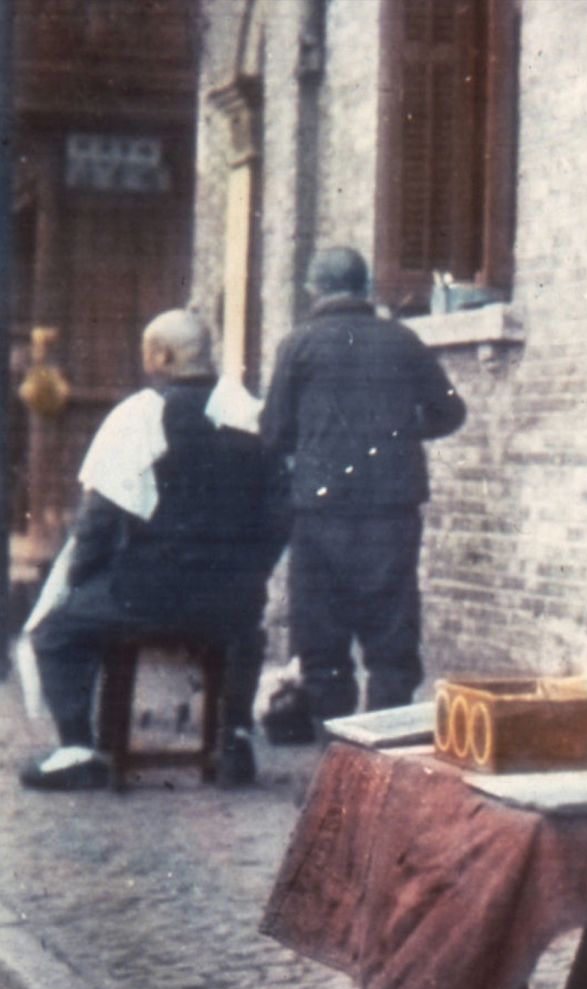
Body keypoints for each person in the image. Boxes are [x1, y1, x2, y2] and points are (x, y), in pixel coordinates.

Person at [21, 310, 288, 791]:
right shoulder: (254, 415)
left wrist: (79, 584)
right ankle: (235, 740)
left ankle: (77, 749)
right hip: (233, 599)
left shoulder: (138, 417)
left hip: (148, 596)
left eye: (149, 351)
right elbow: (280, 517)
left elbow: (97, 525)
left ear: (162, 355)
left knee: (55, 630)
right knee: (244, 626)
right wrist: (251, 574)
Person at [261, 246, 466, 720]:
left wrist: (314, 444)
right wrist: (402, 432)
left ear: (316, 289)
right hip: (391, 509)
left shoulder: (299, 345)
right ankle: (385, 742)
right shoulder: (403, 341)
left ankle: (335, 748)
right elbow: (451, 411)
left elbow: (273, 432)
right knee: (392, 632)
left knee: (321, 637)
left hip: (320, 510)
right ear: (366, 287)